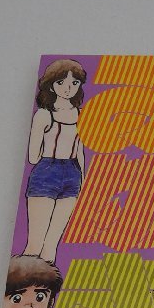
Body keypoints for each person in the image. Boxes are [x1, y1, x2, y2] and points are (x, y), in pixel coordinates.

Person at [22, 58, 88, 262]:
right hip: (48, 173)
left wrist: (83, 181)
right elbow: (32, 157)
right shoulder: (43, 115)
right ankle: (25, 280)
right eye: (61, 82)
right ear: (51, 85)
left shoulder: (82, 115)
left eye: (74, 83)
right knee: (36, 244)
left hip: (70, 175)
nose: (68, 88)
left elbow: (81, 150)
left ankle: (45, 283)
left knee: (51, 245)